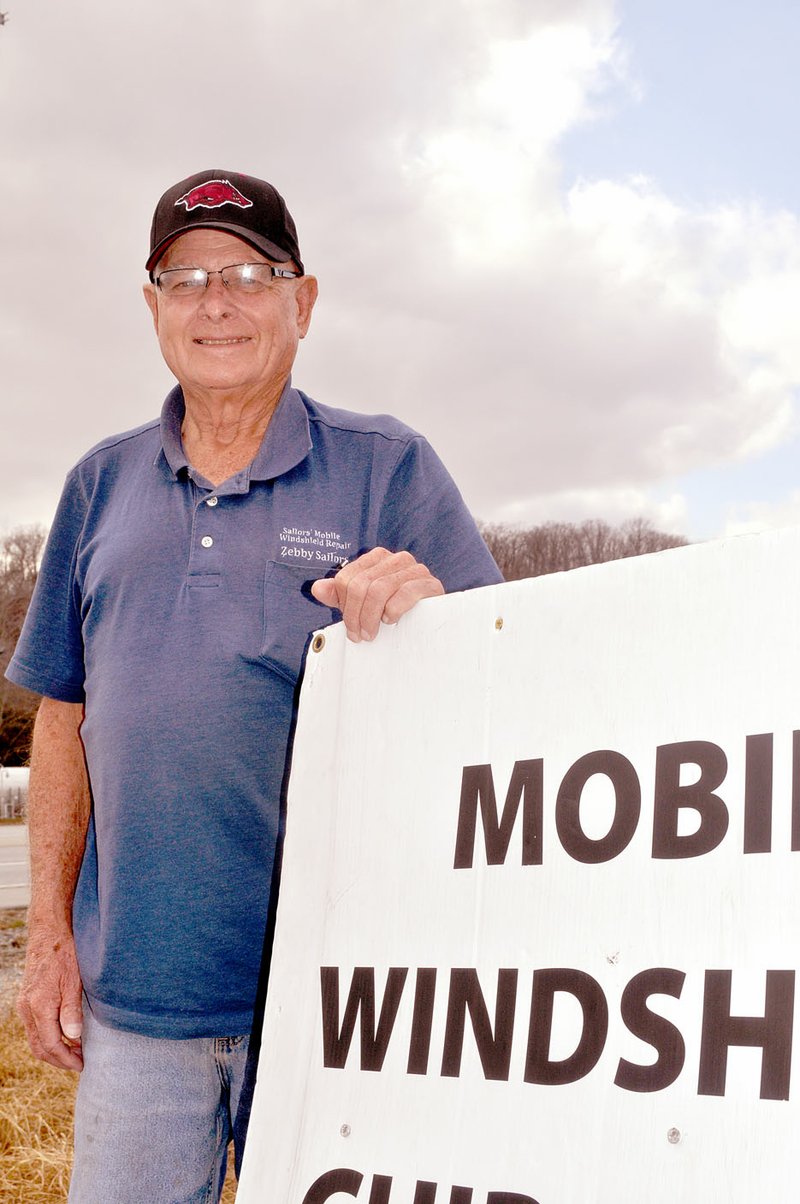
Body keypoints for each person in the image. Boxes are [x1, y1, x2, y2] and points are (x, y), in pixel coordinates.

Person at [6, 169, 502, 1203]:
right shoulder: (98, 484)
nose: (215, 302)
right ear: (152, 309)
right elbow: (64, 716)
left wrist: (430, 601)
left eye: (246, 273)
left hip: (340, 1003)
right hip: (140, 1005)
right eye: (183, 280)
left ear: (301, 301)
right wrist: (50, 936)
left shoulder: (387, 468)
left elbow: (501, 669)